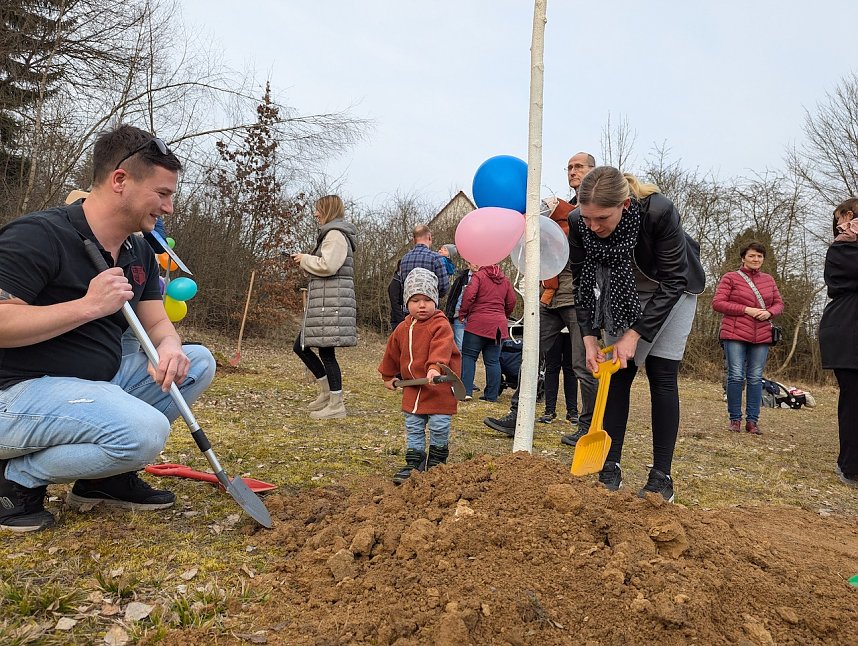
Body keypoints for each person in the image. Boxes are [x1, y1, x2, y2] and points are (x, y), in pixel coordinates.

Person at [0, 124, 217, 533]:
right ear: (120, 180)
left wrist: (169, 346)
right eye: (162, 193)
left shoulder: (139, 251)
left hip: (94, 384)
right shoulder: (38, 235)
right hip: (13, 395)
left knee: (197, 362)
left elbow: (157, 321)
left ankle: (104, 480)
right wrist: (88, 306)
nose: (169, 208)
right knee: (145, 432)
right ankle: (16, 480)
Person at [570, 166, 705, 502]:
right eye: (588, 218)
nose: (593, 226)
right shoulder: (577, 222)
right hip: (621, 293)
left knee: (662, 373)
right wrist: (588, 336)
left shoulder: (658, 211)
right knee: (617, 374)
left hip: (671, 289)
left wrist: (634, 335)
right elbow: (581, 282)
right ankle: (609, 466)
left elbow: (674, 279)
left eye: (602, 218)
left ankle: (661, 477)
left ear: (624, 205)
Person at [484, 151, 597, 446]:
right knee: (530, 354)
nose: (573, 171)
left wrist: (560, 210)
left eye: (579, 166)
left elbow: (583, 234)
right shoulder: (560, 211)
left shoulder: (597, 207)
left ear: (593, 170)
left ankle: (589, 427)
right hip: (550, 294)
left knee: (583, 363)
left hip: (579, 296)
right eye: (569, 167)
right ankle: (518, 415)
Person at [379, 268, 461, 484]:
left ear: (435, 301)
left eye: (427, 300)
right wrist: (388, 375)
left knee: (439, 425)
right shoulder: (402, 328)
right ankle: (414, 462)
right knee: (414, 426)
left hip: (438, 387)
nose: (422, 305)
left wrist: (435, 367)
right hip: (413, 387)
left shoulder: (440, 325)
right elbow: (392, 353)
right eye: (415, 300)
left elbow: (442, 348)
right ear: (407, 302)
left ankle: (437, 462)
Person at [292, 195, 357, 420]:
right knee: (304, 347)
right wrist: (305, 261)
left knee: (324, 353)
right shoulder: (332, 234)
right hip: (327, 302)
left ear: (328, 210)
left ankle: (336, 404)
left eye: (318, 210)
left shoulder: (335, 234)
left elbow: (328, 266)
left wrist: (305, 258)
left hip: (331, 304)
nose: (315, 214)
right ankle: (328, 393)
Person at [712, 241, 784, 435]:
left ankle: (752, 421)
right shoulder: (730, 278)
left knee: (755, 378)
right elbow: (718, 303)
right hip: (734, 333)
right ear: (743, 257)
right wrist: (746, 309)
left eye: (759, 256)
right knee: (736, 376)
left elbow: (779, 303)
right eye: (752, 255)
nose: (756, 259)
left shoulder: (769, 280)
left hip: (762, 335)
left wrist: (769, 313)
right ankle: (735, 419)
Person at [819, 198, 858, 487]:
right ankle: (851, 466)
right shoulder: (840, 249)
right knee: (853, 399)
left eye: (839, 219)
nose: (838, 226)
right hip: (847, 328)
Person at [458, 263, 516, 402]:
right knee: (493, 361)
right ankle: (491, 396)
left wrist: (463, 313)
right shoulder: (505, 280)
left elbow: (469, 295)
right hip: (498, 326)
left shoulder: (479, 276)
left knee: (469, 357)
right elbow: (512, 301)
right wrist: (503, 315)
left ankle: (466, 392)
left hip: (477, 323)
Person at [394, 225, 450, 321]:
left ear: (413, 239)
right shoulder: (436, 258)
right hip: (429, 312)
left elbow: (403, 286)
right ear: (429, 237)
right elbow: (444, 287)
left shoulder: (404, 259)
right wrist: (430, 297)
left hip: (410, 312)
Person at [538, 331, 579, 425]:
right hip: (553, 330)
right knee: (551, 369)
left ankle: (572, 411)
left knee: (570, 370)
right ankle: (549, 411)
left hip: (572, 331)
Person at [444, 261, 479, 351]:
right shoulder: (461, 278)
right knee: (460, 347)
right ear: (468, 263)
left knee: (472, 348)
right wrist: (449, 314)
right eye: (474, 262)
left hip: (476, 317)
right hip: (459, 316)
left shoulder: (485, 279)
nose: (476, 264)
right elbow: (453, 296)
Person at [388, 259, 406, 330]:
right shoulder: (395, 282)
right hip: (398, 320)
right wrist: (402, 320)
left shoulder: (404, 281)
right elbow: (394, 303)